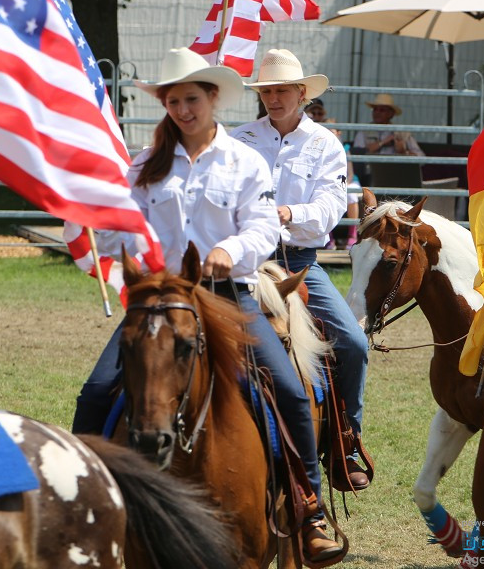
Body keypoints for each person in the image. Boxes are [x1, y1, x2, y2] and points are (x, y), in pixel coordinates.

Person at [71, 48, 344, 564]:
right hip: (158, 299)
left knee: (287, 388)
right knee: (97, 390)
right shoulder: (142, 166)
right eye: (173, 101)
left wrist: (229, 250)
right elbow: (114, 230)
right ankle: (83, 506)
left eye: (191, 99)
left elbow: (263, 228)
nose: (182, 110)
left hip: (228, 296)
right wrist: (87, 221)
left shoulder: (245, 161)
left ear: (213, 98)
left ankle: (308, 510)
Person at [234, 48, 372, 491]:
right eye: (267, 91)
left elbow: (332, 207)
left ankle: (344, 442)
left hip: (298, 263)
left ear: (301, 93)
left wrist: (290, 213)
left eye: (281, 91)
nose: (273, 98)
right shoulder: (238, 140)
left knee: (351, 343)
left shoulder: (325, 144)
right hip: (245, 261)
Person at [306, 98, 361, 248]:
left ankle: (352, 233)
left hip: (346, 180)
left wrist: (344, 184)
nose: (316, 115)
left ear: (338, 132)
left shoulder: (345, 148)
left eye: (319, 112)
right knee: (319, 193)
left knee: (350, 193)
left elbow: (349, 173)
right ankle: (327, 235)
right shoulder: (318, 145)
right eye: (313, 112)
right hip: (329, 179)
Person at [353, 93, 425, 157]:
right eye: (375, 109)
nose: (377, 113)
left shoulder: (403, 133)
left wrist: (404, 152)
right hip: (369, 171)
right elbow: (357, 155)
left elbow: (421, 157)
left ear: (391, 114)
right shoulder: (363, 132)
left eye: (382, 110)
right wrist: (383, 143)